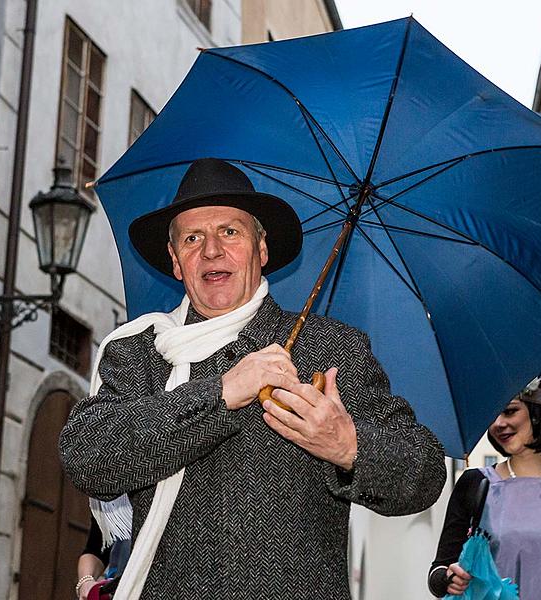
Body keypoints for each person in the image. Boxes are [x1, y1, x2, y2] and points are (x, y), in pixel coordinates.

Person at [59, 158, 446, 598]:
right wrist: (221, 393)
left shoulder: (331, 350)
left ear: (261, 250)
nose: (211, 250)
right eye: (192, 238)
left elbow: (425, 472)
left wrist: (349, 445)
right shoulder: (137, 352)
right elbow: (87, 458)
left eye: (230, 232)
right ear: (175, 261)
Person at [428, 376, 541, 600]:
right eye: (492, 415)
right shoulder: (475, 483)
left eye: (509, 411)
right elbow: (437, 572)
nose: (498, 423)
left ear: (537, 411)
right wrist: (449, 578)